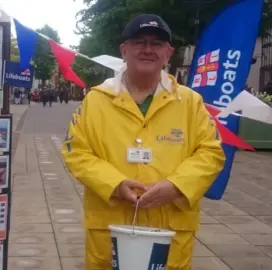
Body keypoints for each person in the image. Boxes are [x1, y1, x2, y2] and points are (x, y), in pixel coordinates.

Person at [61, 14, 225, 270]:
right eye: (139, 42)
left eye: (157, 43)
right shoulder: (95, 101)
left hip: (170, 230)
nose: (148, 49)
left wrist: (176, 186)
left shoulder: (191, 103)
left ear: (168, 53)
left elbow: (211, 153)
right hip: (110, 228)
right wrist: (114, 184)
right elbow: (76, 152)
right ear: (124, 50)